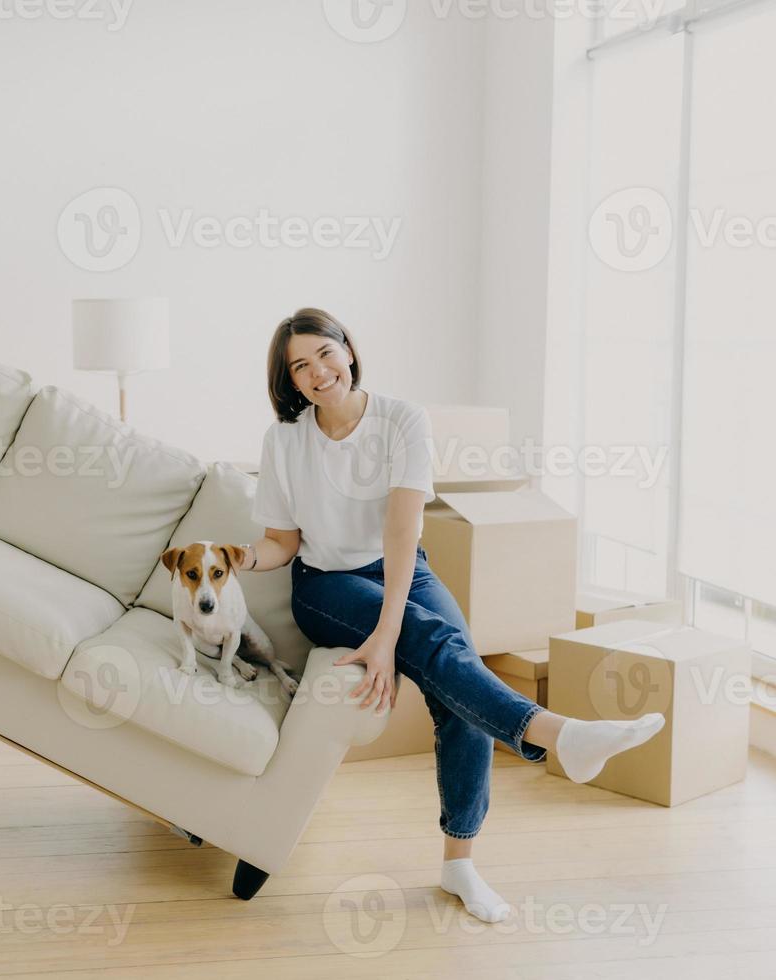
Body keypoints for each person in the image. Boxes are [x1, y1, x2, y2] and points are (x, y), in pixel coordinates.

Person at [237, 308, 664, 921]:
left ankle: (460, 864)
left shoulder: (402, 419)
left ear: (348, 350)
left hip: (402, 564)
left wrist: (386, 635)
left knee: (457, 682)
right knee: (441, 646)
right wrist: (239, 558)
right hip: (324, 587)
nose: (316, 372)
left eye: (323, 354)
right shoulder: (285, 440)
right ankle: (562, 736)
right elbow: (282, 541)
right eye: (299, 367)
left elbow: (402, 530)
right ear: (292, 382)